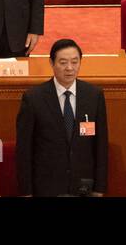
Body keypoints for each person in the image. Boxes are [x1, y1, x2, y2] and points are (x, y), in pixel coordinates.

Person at [15, 38, 108, 197]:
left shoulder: (94, 95)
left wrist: (99, 188)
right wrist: (26, 192)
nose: (69, 68)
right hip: (47, 187)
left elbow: (100, 145)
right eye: (63, 62)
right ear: (51, 63)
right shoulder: (33, 98)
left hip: (83, 186)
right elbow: (24, 150)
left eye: (74, 62)